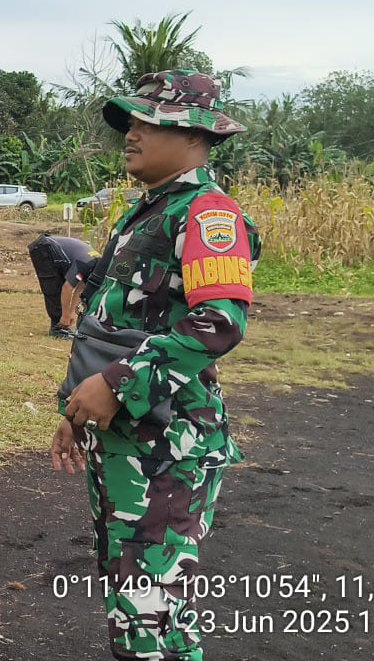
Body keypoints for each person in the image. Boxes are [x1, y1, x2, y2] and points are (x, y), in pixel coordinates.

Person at [51, 70, 260, 661]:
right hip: (128, 439)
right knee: (139, 607)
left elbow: (219, 322)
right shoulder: (150, 211)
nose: (132, 134)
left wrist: (117, 387)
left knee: (150, 620)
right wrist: (78, 409)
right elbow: (113, 328)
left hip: (169, 446)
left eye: (148, 122)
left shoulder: (207, 213)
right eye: (131, 122)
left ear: (195, 134)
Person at [27, 232, 97, 337]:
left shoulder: (97, 266)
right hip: (44, 248)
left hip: (56, 252)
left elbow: (81, 288)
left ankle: (63, 325)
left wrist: (73, 312)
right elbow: (67, 288)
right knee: (53, 287)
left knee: (61, 284)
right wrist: (65, 315)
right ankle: (57, 327)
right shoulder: (84, 265)